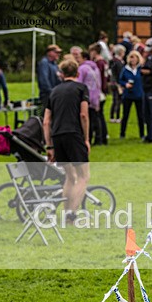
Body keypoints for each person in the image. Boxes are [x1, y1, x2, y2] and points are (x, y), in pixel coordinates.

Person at [43, 57, 90, 223]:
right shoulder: (81, 88)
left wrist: (49, 145)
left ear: (61, 74)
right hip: (74, 134)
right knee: (83, 177)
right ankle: (72, 213)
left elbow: (46, 121)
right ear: (77, 73)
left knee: (69, 177)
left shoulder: (54, 91)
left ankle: (65, 214)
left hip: (57, 136)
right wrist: (86, 139)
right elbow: (83, 115)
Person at [72, 47, 104, 146]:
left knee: (87, 118)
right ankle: (100, 139)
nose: (77, 60)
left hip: (86, 96)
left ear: (84, 58)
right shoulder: (94, 67)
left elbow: (79, 82)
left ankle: (88, 138)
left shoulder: (82, 68)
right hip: (96, 95)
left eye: (79, 58)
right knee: (97, 118)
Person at [119, 50, 144, 140]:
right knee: (125, 115)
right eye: (131, 57)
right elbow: (120, 80)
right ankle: (122, 133)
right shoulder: (125, 69)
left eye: (135, 58)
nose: (133, 60)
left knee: (140, 116)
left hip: (139, 94)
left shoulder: (140, 69)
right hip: (128, 95)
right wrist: (125, 84)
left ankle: (142, 134)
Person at [88, 44, 109, 144]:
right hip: (103, 90)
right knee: (100, 115)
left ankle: (100, 137)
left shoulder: (98, 63)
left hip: (98, 91)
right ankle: (103, 136)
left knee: (98, 116)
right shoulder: (104, 62)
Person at [37, 44, 61, 112]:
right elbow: (44, 80)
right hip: (47, 95)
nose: (58, 54)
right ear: (50, 52)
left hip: (55, 94)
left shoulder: (55, 64)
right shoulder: (44, 63)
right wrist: (52, 92)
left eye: (59, 53)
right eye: (56, 52)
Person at [108, 45, 125, 124]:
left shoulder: (112, 61)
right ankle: (117, 117)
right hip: (117, 83)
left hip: (112, 82)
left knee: (114, 100)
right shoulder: (119, 62)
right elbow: (120, 74)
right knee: (118, 100)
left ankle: (112, 116)